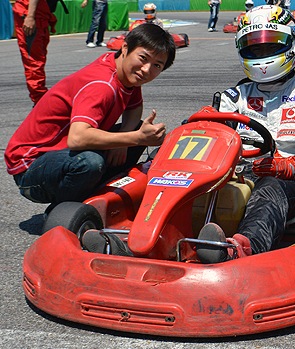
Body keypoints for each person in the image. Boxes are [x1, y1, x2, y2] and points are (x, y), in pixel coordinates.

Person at [194, 5, 295, 263]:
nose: (263, 55)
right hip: (236, 174)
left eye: (271, 46)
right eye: (255, 48)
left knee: (270, 189)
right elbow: (208, 137)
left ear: (292, 44)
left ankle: (241, 250)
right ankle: (149, 238)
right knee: (194, 183)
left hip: (289, 180)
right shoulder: (233, 98)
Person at [5, 24, 177, 210]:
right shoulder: (102, 84)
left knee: (139, 129)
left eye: (157, 66)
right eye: (143, 58)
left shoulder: (124, 72)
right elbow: (77, 139)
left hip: (59, 155)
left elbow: (135, 108)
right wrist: (134, 139)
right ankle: (61, 212)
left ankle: (97, 198)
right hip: (30, 168)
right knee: (90, 162)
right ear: (125, 47)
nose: (146, 69)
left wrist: (126, 140)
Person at [12, 0, 98, 105]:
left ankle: (41, 98)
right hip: (32, 11)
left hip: (44, 14)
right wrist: (30, 16)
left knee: (40, 57)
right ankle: (40, 100)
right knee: (34, 60)